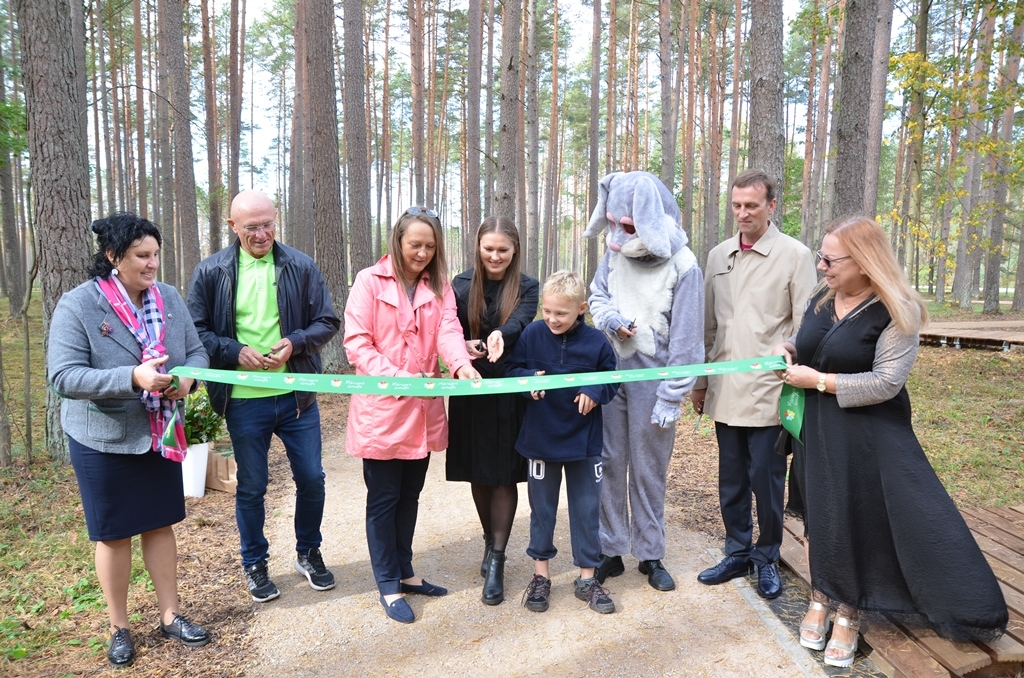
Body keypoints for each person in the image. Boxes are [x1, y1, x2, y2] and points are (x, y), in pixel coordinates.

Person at [773, 215, 1007, 668]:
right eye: (821, 256)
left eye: (830, 258)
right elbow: (808, 342)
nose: (821, 266)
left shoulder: (898, 310)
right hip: (815, 431)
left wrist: (817, 380)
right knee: (822, 514)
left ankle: (849, 610)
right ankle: (821, 597)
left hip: (868, 439)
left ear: (864, 261)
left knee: (857, 519)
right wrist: (789, 351)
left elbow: (885, 383)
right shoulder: (821, 299)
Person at [48, 214, 211, 668]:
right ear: (112, 257)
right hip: (102, 438)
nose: (153, 263)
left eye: (156, 254)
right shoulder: (79, 305)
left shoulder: (170, 299)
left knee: (160, 524)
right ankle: (119, 627)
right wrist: (132, 378)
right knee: (115, 534)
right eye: (142, 255)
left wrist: (187, 381)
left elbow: (195, 352)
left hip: (158, 433)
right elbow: (63, 376)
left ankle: (171, 615)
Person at [187, 190, 341, 603]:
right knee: (252, 487)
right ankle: (254, 563)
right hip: (242, 398)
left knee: (311, 477)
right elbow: (195, 331)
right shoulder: (211, 271)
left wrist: (294, 343)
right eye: (251, 226)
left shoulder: (300, 265)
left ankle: (308, 553)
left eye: (267, 223)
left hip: (297, 395)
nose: (261, 233)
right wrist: (234, 351)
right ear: (233, 227)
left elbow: (327, 321)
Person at [343, 206, 482, 624]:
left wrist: (459, 364)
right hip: (383, 410)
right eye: (414, 244)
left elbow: (448, 330)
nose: (421, 252)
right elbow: (357, 344)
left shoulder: (439, 285)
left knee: (410, 496)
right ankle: (387, 583)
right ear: (397, 241)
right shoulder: (369, 281)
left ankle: (406, 572)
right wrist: (399, 378)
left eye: (429, 245)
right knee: (384, 499)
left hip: (423, 411)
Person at [690, 169, 817, 600]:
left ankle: (767, 557)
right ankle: (737, 552)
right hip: (725, 389)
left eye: (752, 206)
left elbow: (807, 325)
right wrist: (700, 383)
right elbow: (708, 327)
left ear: (771, 206)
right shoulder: (717, 255)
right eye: (737, 205)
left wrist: (792, 353)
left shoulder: (795, 255)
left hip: (770, 391)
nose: (743, 213)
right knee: (731, 480)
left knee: (766, 479)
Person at [585, 170, 704, 593]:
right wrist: (610, 319)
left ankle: (650, 552)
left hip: (655, 382)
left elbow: (689, 340)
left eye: (629, 226)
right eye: (614, 223)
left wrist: (672, 396)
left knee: (649, 467)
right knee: (610, 461)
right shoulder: (613, 255)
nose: (618, 233)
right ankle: (611, 548)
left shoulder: (685, 265)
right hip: (612, 374)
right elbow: (597, 295)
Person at [506, 271, 620, 614]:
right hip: (541, 441)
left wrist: (595, 391)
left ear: (582, 309)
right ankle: (541, 576)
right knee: (542, 512)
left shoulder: (598, 342)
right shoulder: (532, 334)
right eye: (547, 311)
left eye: (562, 313)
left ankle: (587, 577)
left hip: (584, 444)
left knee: (586, 511)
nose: (552, 319)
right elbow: (512, 370)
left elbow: (613, 379)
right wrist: (526, 380)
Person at [446, 216, 539, 605]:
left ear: (515, 249)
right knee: (478, 474)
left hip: (509, 389)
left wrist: (502, 333)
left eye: (503, 249)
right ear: (478, 247)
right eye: (489, 249)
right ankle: (489, 541)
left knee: (502, 476)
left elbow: (520, 320)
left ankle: (498, 557)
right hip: (471, 387)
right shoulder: (460, 284)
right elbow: (448, 327)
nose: (495, 256)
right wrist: (465, 346)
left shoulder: (529, 286)